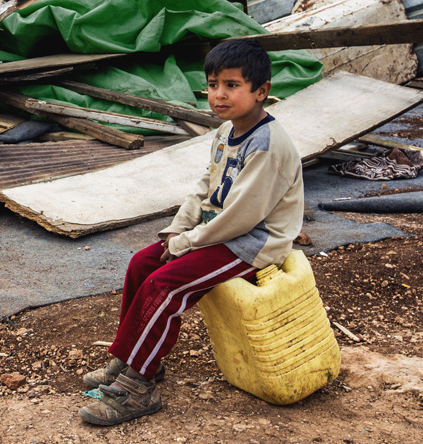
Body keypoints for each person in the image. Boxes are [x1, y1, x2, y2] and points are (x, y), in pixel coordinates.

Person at [79, 39, 305, 426]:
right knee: (141, 265)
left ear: (261, 91)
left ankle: (140, 388)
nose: (219, 94)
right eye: (213, 84)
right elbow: (205, 187)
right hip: (217, 233)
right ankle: (131, 357)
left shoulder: (267, 144)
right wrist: (176, 230)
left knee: (164, 286)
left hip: (250, 244)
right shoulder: (225, 132)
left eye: (232, 85)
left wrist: (187, 243)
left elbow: (241, 216)